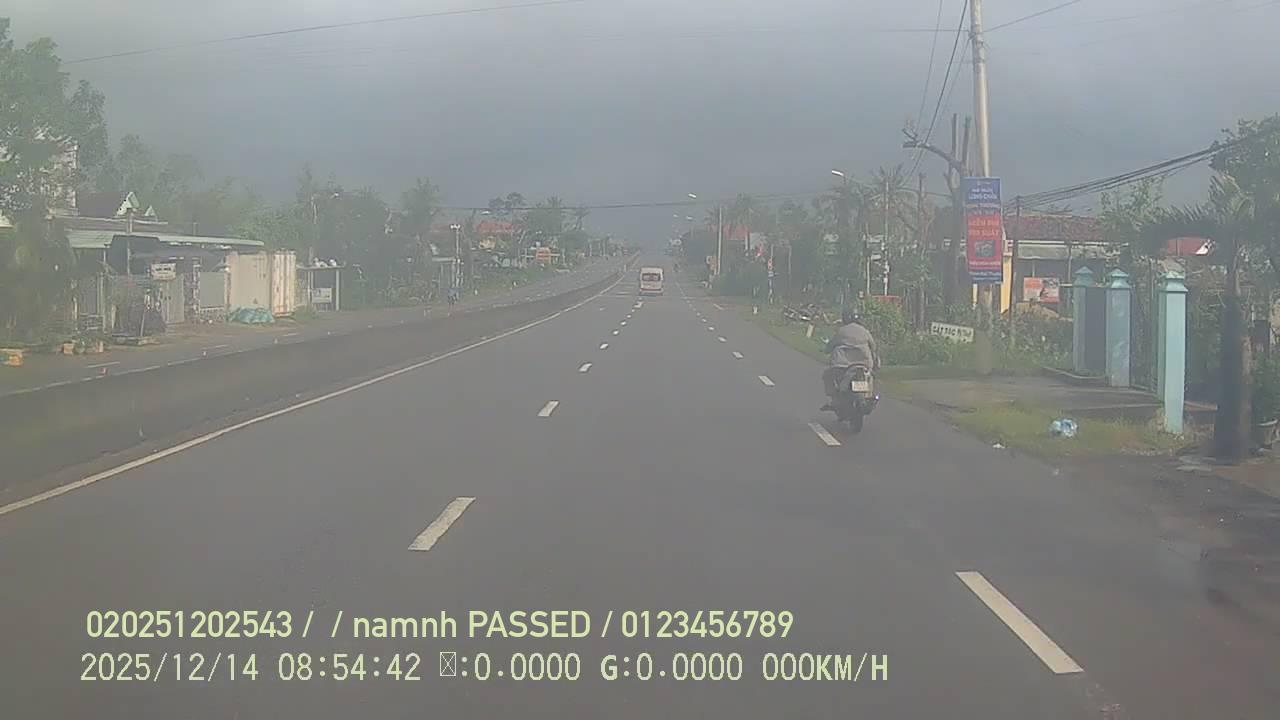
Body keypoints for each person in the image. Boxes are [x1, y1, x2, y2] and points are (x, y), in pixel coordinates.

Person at [822, 309, 879, 407]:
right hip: (864, 363)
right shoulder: (864, 331)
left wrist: (826, 349)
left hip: (842, 364)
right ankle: (868, 396)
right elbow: (873, 346)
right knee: (870, 377)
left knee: (827, 375)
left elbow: (831, 345)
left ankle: (834, 399)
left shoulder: (842, 331)